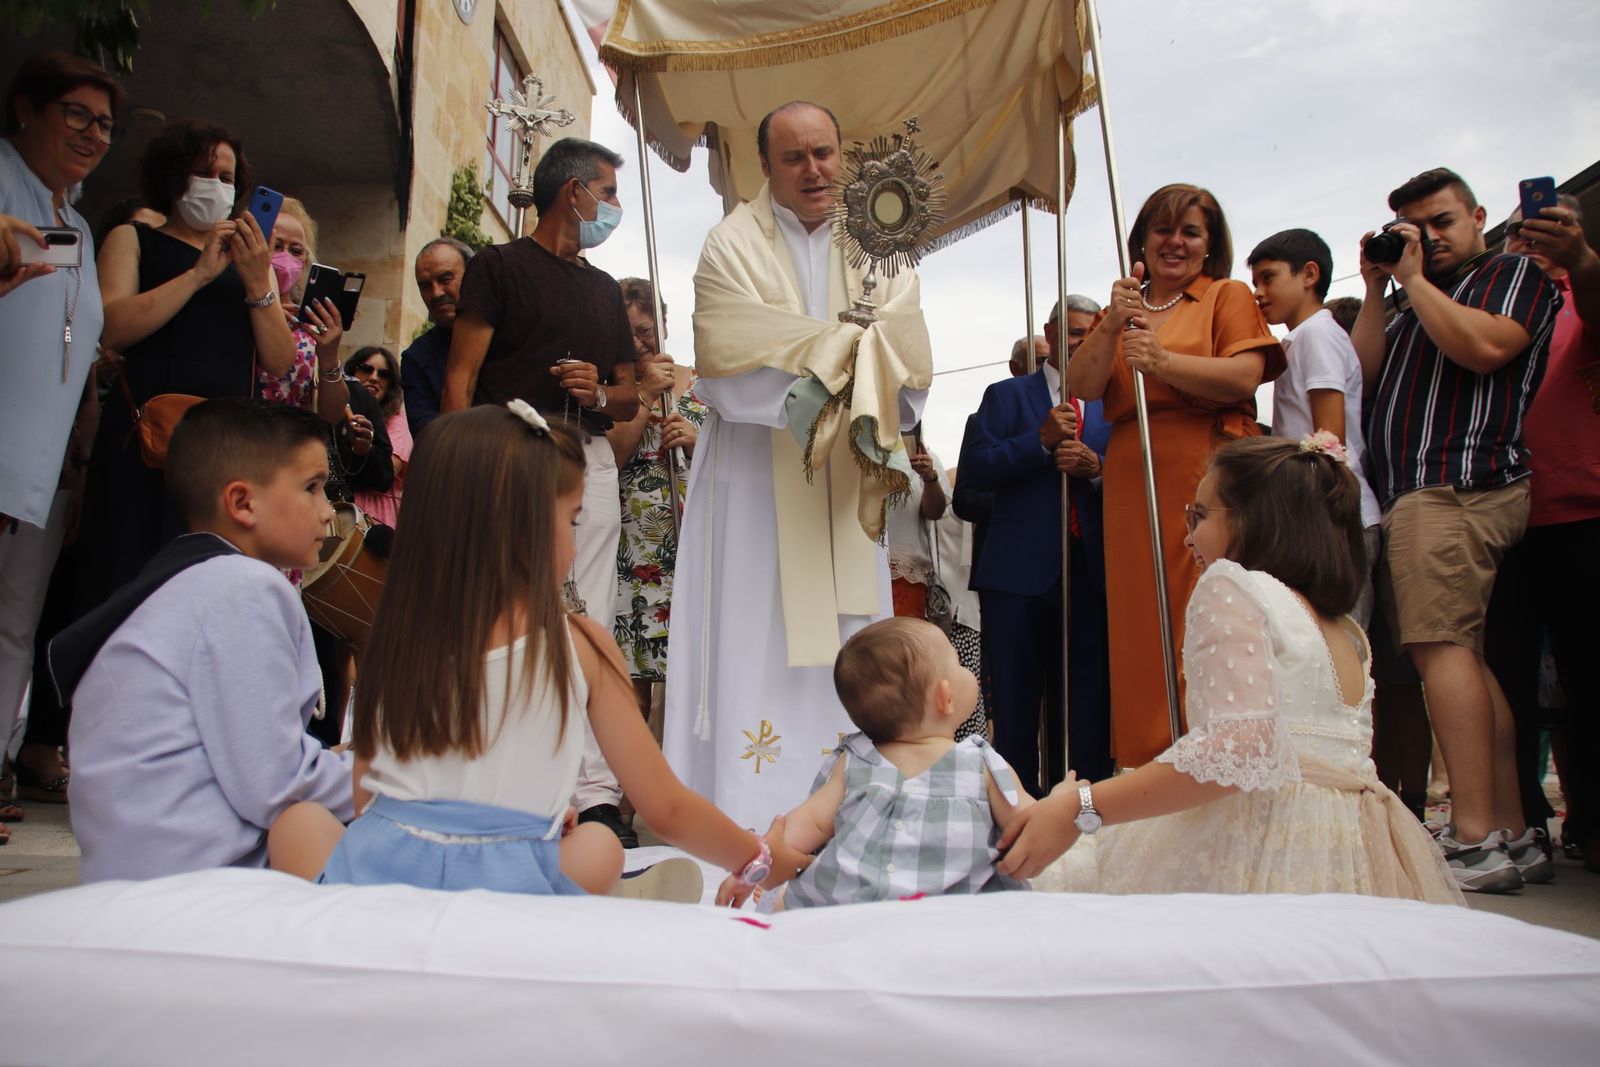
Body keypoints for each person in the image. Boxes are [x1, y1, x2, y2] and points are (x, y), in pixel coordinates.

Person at [266, 404, 811, 899]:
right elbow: (664, 806)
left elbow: (367, 798)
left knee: (299, 824)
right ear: (525, 532)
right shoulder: (579, 643)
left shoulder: (394, 633)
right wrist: (757, 857)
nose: (575, 538)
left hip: (387, 874)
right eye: (572, 520)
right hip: (510, 887)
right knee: (599, 844)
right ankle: (601, 893)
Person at [996, 436, 1464, 907]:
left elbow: (1236, 752)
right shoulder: (1345, 629)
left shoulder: (1233, 585)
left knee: (1067, 889)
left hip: (1263, 839)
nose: (1187, 537)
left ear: (1256, 520)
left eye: (1199, 516)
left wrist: (1081, 807)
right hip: (1350, 850)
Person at [662, 101, 932, 832]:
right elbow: (726, 365)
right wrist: (845, 358)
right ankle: (743, 816)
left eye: (823, 153)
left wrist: (826, 361)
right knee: (752, 627)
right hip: (754, 479)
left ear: (842, 154)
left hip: (844, 481)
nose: (813, 169)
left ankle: (850, 808)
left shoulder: (881, 245)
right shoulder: (730, 245)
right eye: (793, 157)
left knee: (851, 637)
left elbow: (907, 362)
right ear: (765, 166)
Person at [1351, 167, 1560, 892]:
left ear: (1478, 216)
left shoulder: (1507, 274)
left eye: (1442, 222)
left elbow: (1486, 348)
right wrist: (1378, 287)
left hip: (1457, 484)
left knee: (1441, 651)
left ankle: (1474, 838)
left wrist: (1413, 280)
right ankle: (1507, 829)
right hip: (1424, 492)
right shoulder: (1412, 302)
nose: (1430, 239)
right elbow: (1362, 374)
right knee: (1462, 657)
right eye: (1414, 229)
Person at [51, 400, 354, 881]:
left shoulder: (186, 580)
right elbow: (280, 785)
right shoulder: (244, 587)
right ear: (243, 502)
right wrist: (394, 777)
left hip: (136, 878)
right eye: (312, 488)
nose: (327, 513)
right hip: (203, 886)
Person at [441, 137, 643, 844]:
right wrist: (460, 471)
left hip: (589, 458)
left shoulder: (604, 290)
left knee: (591, 620)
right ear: (572, 192)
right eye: (608, 192)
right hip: (511, 458)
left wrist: (601, 391)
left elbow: (629, 392)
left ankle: (594, 794)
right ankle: (501, 778)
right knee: (505, 616)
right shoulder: (498, 267)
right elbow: (461, 378)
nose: (614, 206)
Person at [1069, 184, 1285, 770]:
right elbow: (1083, 384)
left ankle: (1211, 755)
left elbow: (1244, 376)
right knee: (1137, 618)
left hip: (1204, 467)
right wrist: (1112, 323)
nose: (1175, 242)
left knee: (1201, 606)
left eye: (1191, 232)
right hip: (1130, 470)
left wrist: (1163, 363)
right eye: (1163, 230)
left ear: (1210, 244)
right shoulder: (1123, 309)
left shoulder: (1224, 295)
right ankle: (1146, 761)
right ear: (1142, 239)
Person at [81, 119, 295, 609]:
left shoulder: (250, 260)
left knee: (207, 592)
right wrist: (199, 275)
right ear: (173, 176)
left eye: (227, 177)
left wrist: (256, 280)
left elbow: (279, 359)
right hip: (145, 442)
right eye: (204, 172)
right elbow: (112, 328)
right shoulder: (133, 239)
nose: (217, 185)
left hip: (224, 452)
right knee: (126, 580)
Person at [0, 52, 124, 831]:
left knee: (16, 626)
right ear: (26, 109)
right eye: (76, 114)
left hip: (44, 470)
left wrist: (79, 457)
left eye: (104, 124)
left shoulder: (76, 224)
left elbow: (76, 357)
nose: (93, 135)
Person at [716, 617, 1030, 909]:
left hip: (856, 904)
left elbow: (807, 823)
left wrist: (752, 865)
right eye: (959, 663)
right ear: (945, 697)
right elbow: (1026, 822)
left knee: (809, 906)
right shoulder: (982, 764)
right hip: (956, 909)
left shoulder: (857, 761)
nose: (966, 670)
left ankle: (785, 900)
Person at [1486, 193, 1600, 873]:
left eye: (1548, 231)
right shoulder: (1488, 311)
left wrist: (1580, 261)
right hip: (1501, 516)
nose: (1530, 243)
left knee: (1590, 676)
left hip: (1583, 513)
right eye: (1519, 235)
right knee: (1506, 678)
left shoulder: (1581, 299)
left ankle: (1591, 821)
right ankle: (1523, 822)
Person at [960, 297, 1113, 794]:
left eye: (1089, 333)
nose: (1079, 342)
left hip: (1089, 574)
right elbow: (976, 471)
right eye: (1071, 332)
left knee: (1088, 704)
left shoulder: (1113, 401)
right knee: (1015, 705)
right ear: (1049, 333)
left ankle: (1085, 810)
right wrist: (1039, 442)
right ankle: (1017, 811)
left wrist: (1097, 472)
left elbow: (1133, 475)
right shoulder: (1006, 396)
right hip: (1017, 576)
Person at [1249, 228, 1382, 625]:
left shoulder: (1317, 334)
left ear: (1309, 274)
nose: (1258, 293)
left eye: (1268, 278)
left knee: (1342, 644)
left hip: (1334, 516)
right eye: (1255, 283)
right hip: (1320, 513)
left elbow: (1329, 439)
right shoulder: (1302, 338)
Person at [608, 277, 705, 715]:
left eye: (645, 331)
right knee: (632, 682)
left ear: (664, 322)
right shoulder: (614, 392)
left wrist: (697, 442)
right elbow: (612, 456)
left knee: (694, 679)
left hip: (692, 547)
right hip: (633, 553)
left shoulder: (702, 385)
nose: (637, 343)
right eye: (626, 333)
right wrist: (644, 393)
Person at [400, 236, 472, 439]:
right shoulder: (417, 357)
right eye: (425, 286)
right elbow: (426, 434)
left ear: (472, 276)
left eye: (445, 279)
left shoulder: (509, 334)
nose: (436, 293)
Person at [344, 345, 410, 527]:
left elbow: (387, 472)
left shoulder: (397, 423)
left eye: (384, 374)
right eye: (366, 369)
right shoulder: (335, 410)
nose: (374, 378)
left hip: (376, 516)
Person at [885, 436, 947, 619]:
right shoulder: (861, 453)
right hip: (861, 567)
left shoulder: (927, 459)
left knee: (902, 636)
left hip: (906, 573)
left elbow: (934, 512)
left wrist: (929, 477)